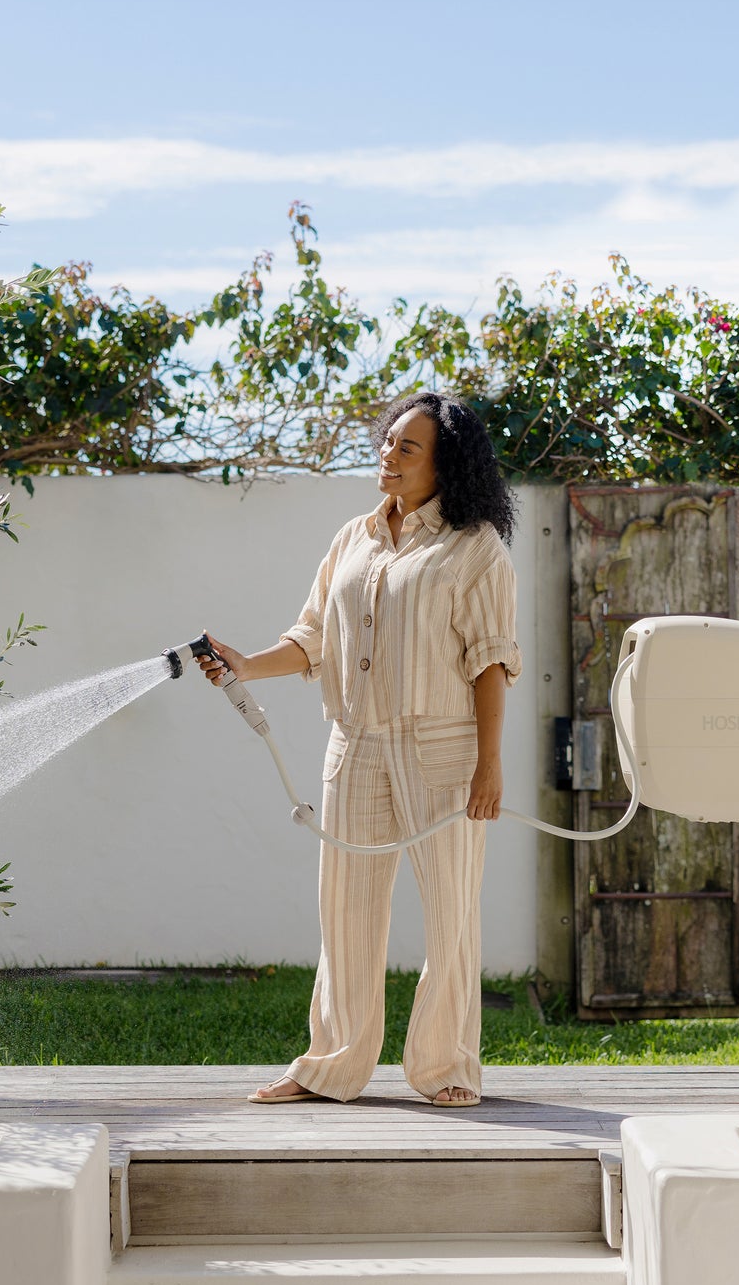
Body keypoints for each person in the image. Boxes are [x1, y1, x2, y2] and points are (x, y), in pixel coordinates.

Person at [201, 391, 521, 1107]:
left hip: (441, 749)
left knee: (450, 916)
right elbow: (313, 636)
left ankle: (446, 1066)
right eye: (387, 442)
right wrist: (245, 663)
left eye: (408, 447)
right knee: (343, 910)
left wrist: (488, 763)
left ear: (446, 462)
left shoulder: (473, 548)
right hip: (353, 747)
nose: (389, 454)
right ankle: (329, 1066)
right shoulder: (354, 537)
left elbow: (490, 662)